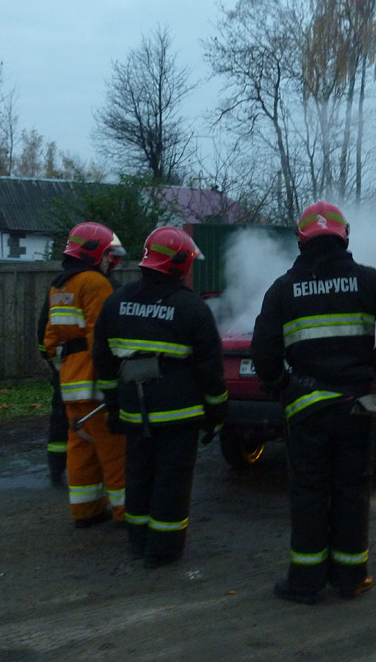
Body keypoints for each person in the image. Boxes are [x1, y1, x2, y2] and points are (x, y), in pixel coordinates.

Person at [250, 201, 376, 604]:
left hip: (306, 410)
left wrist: (281, 385)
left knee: (309, 492)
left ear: (301, 242)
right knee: (352, 489)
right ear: (344, 237)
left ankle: (305, 582)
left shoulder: (283, 289)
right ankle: (351, 577)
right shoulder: (367, 281)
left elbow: (263, 351)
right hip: (357, 408)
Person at [93, 226, 227, 568]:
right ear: (180, 264)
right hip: (179, 416)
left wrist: (113, 406)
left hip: (133, 412)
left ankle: (138, 542)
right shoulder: (192, 308)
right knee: (172, 481)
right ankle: (163, 550)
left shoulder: (116, 301)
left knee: (138, 476)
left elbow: (103, 360)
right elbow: (210, 369)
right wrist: (216, 412)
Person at [42, 222, 128, 528]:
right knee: (115, 450)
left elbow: (51, 340)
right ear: (92, 254)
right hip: (95, 384)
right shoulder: (95, 283)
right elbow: (101, 338)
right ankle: (126, 513)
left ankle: (85, 510)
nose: (109, 261)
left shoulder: (59, 286)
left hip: (70, 384)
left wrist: (65, 370)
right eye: (106, 255)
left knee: (81, 448)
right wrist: (114, 378)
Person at [37, 297, 68, 487]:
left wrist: (46, 356)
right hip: (89, 366)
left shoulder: (57, 289)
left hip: (62, 364)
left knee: (60, 416)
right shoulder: (106, 286)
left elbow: (43, 325)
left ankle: (56, 469)